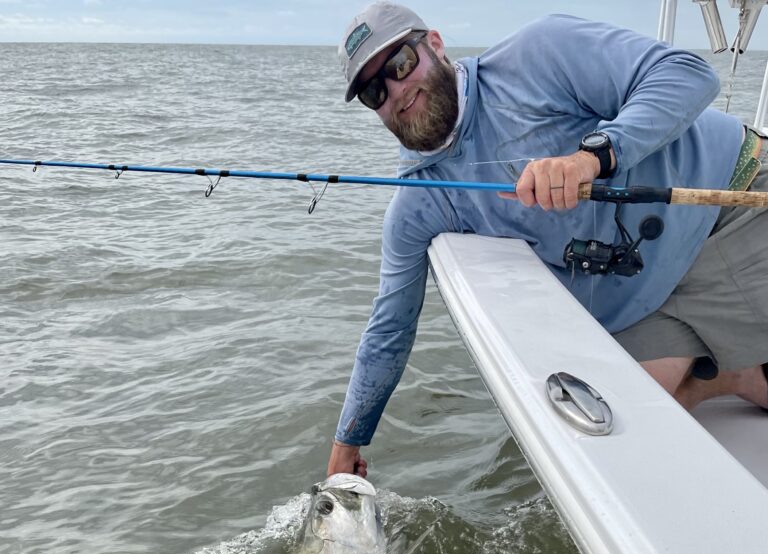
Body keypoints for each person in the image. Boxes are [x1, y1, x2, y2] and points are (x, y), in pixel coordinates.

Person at [326, 2, 768, 478]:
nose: (396, 90)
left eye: (400, 64)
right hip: (653, 300)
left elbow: (690, 75)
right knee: (615, 450)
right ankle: (728, 375)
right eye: (374, 91)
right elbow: (389, 326)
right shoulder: (420, 200)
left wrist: (593, 156)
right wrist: (346, 444)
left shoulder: (538, 53)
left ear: (434, 44)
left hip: (730, 207)